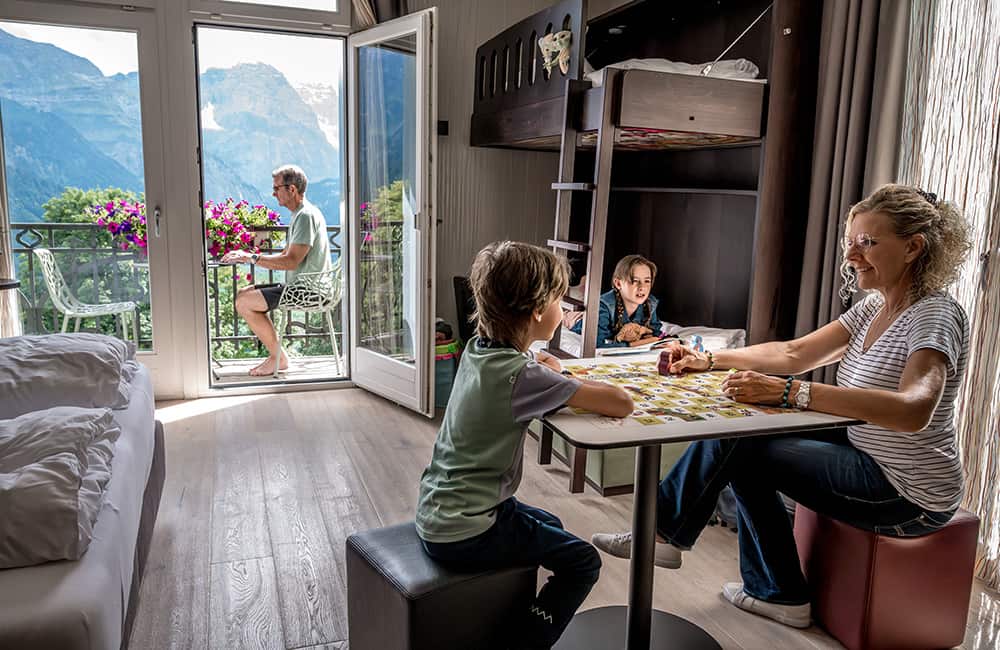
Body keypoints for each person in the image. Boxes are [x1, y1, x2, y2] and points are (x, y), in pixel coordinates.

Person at [591, 184, 972, 629]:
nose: (852, 254)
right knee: (743, 431)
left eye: (867, 242)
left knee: (748, 456)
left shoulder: (934, 315)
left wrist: (792, 393)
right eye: (850, 242)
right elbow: (794, 354)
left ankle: (752, 578)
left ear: (913, 247)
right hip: (865, 447)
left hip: (908, 491)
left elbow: (914, 408)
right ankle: (682, 542)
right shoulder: (872, 309)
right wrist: (709, 360)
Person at [415, 241, 634, 650]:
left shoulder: (477, 350)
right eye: (558, 299)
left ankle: (512, 615)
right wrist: (560, 374)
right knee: (583, 563)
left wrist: (549, 370)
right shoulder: (523, 376)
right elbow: (621, 402)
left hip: (440, 510)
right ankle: (525, 643)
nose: (563, 307)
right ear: (536, 311)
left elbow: (524, 372)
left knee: (550, 525)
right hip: (470, 529)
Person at [223, 164, 332, 376]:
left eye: (276, 188)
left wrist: (251, 258)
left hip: (309, 290)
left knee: (244, 302)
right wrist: (249, 255)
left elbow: (290, 262)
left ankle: (279, 358)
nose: (273, 193)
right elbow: (285, 255)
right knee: (244, 293)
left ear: (291, 189)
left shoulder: (305, 216)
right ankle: (277, 355)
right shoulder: (301, 214)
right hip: (301, 285)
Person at [569, 254, 664, 348]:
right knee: (571, 315)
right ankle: (578, 289)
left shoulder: (650, 303)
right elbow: (597, 343)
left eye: (647, 281)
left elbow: (655, 331)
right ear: (618, 283)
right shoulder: (605, 306)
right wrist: (632, 345)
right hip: (579, 319)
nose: (642, 287)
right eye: (634, 281)